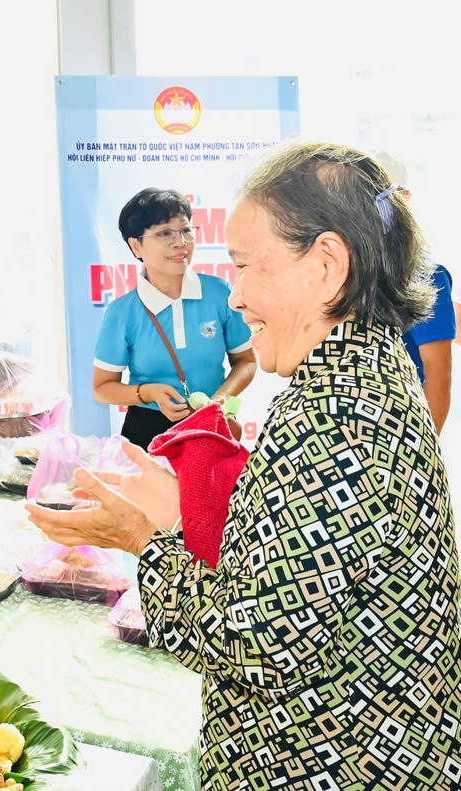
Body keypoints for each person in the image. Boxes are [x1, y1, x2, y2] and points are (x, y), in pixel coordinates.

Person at [26, 142, 460, 790]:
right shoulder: (360, 373)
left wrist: (143, 539)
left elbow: (253, 638)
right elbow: (306, 561)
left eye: (247, 266)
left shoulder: (341, 419)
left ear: (326, 265)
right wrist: (180, 505)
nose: (235, 299)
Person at [93, 188, 256, 449]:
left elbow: (246, 361)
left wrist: (219, 402)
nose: (180, 242)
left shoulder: (220, 293)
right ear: (136, 246)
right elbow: (102, 388)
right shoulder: (122, 312)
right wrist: (148, 393)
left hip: (211, 428)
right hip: (146, 432)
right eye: (164, 233)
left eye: (185, 230)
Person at [372, 150, 455, 434]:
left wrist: (425, 451)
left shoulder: (425, 276)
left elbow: (438, 374)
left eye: (379, 200)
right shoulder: (345, 271)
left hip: (404, 425)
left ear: (404, 198)